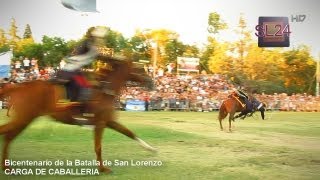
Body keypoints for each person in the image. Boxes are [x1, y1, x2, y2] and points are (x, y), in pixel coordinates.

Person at [56, 26, 107, 103]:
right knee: (85, 87)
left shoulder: (85, 42)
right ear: (93, 36)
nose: (99, 40)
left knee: (84, 84)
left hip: (71, 67)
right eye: (98, 38)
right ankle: (79, 105)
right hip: (72, 69)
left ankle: (75, 101)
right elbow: (96, 54)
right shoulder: (89, 43)